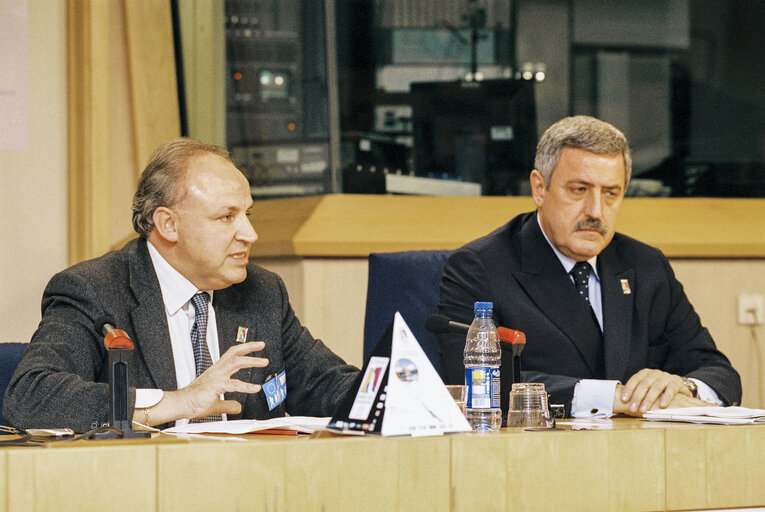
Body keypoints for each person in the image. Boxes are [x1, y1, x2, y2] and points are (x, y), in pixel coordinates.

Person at [3, 138, 359, 432]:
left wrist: (399, 390)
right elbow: (32, 397)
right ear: (168, 224)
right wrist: (177, 401)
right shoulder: (94, 290)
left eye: (247, 215)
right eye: (226, 217)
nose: (250, 234)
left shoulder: (262, 292)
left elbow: (328, 385)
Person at [437, 116, 741, 418]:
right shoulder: (480, 267)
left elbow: (720, 374)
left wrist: (682, 387)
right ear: (539, 188)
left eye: (611, 193)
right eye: (579, 190)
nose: (596, 211)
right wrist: (615, 398)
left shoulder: (646, 266)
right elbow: (478, 383)